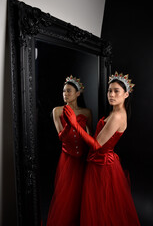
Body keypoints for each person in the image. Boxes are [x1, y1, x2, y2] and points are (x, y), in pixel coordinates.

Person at [63, 71, 141, 226]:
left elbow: (97, 145)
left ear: (126, 94)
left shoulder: (118, 115)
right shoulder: (115, 112)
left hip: (102, 165)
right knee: (101, 205)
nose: (111, 94)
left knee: (101, 206)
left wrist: (74, 124)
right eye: (109, 90)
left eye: (116, 91)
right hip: (99, 162)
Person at [46, 75, 92, 226]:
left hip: (83, 158)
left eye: (69, 91)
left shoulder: (86, 112)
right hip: (68, 159)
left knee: (84, 194)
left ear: (78, 93)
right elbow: (61, 137)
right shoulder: (57, 111)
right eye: (64, 91)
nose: (65, 94)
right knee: (67, 196)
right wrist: (70, 124)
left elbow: (90, 137)